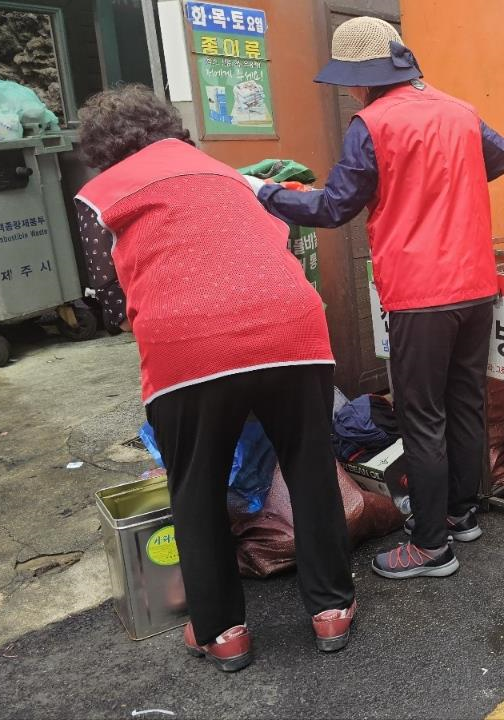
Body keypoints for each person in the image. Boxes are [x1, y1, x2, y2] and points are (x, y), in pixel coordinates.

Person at [74, 85, 356, 673]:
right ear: (168, 127)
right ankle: (331, 610)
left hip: (188, 343)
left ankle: (223, 631)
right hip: (293, 327)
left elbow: (104, 292)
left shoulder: (103, 194)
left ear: (100, 150)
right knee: (308, 467)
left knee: (196, 487)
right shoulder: (224, 174)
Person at [253, 17, 504, 581]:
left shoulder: (371, 123)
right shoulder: (458, 110)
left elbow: (333, 208)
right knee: (465, 401)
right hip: (474, 283)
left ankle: (429, 546)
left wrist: (266, 194)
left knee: (421, 417)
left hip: (421, 292)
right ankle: (462, 513)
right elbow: (503, 156)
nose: (347, 89)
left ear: (363, 77)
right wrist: (443, 184)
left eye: (348, 79)